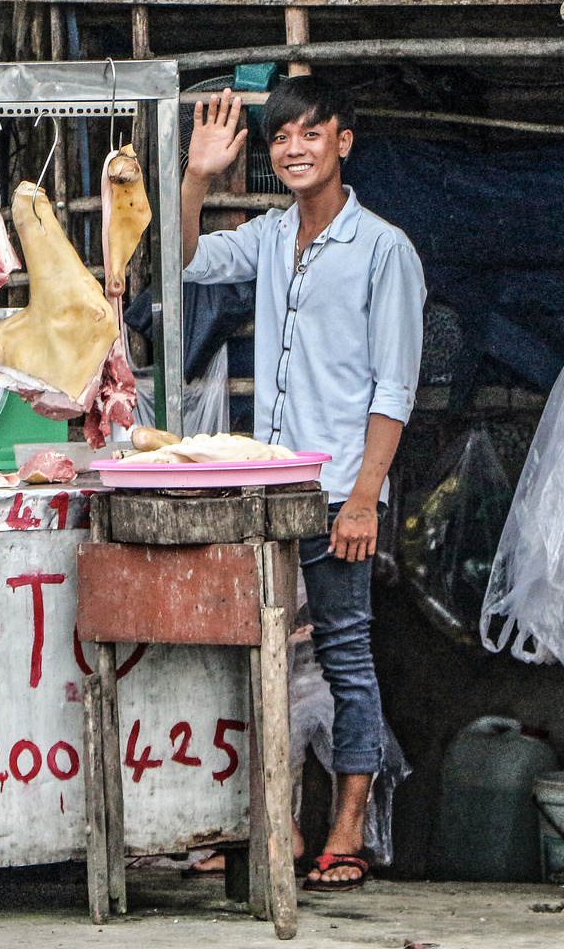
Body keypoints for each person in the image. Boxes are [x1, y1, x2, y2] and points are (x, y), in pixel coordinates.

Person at [181, 75, 425, 890]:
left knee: (347, 654)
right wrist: (194, 181)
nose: (292, 148)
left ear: (342, 143)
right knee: (268, 658)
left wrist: (363, 498)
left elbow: (394, 388)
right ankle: (276, 823)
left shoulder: (383, 248)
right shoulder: (268, 236)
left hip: (341, 492)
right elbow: (185, 261)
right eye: (280, 137)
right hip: (273, 489)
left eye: (309, 134)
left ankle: (347, 827)